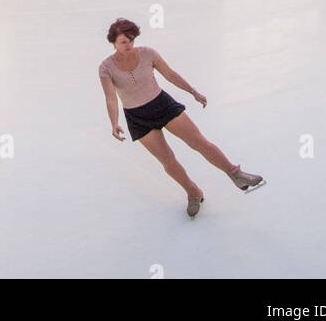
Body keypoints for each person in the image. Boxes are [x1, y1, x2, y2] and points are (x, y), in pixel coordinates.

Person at [99, 18, 264, 219]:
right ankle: (193, 192)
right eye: (124, 42)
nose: (129, 45)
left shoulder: (148, 53)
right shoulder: (106, 67)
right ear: (113, 42)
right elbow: (111, 99)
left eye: (131, 40)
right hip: (137, 117)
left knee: (199, 142)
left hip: (162, 105)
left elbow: (170, 74)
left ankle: (235, 174)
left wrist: (193, 91)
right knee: (167, 160)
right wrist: (114, 123)